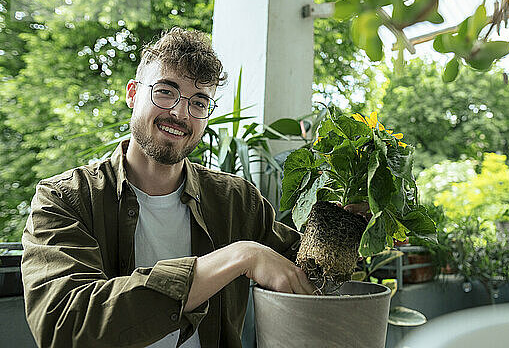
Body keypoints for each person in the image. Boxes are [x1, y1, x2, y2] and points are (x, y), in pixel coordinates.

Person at [21, 27, 315, 348]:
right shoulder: (65, 198)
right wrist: (240, 256)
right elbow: (65, 324)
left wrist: (351, 212)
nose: (179, 113)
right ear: (132, 93)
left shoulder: (237, 200)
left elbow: (315, 272)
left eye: (199, 102)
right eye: (165, 91)